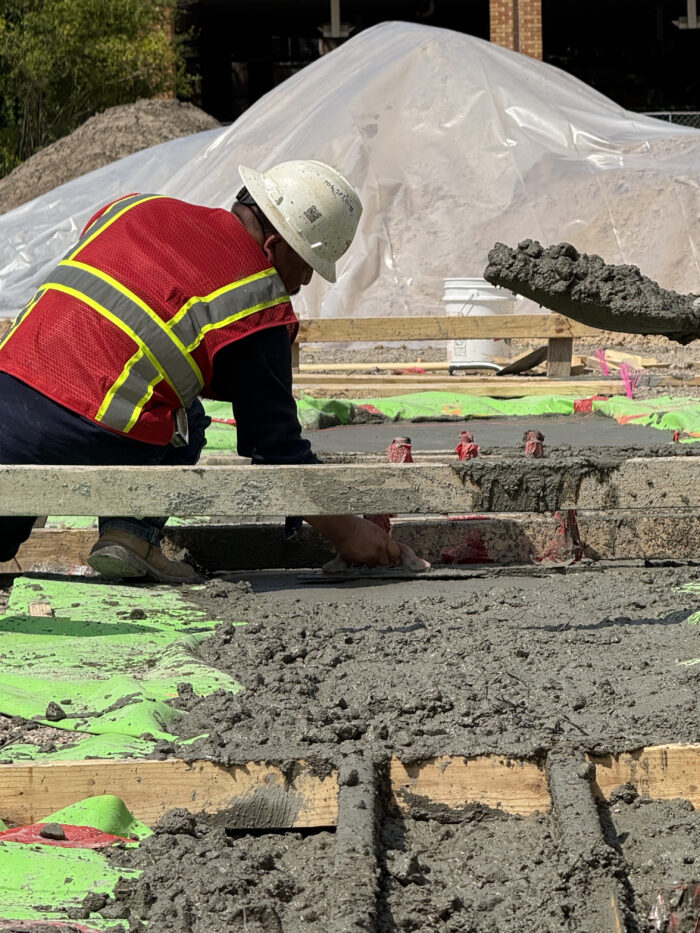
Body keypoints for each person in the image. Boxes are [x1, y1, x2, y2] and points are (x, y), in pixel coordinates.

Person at [0, 160, 414, 582]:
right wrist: (348, 533)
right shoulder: (257, 301)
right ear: (273, 245)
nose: (306, 280)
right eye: (308, 263)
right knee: (189, 420)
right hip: (92, 427)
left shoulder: (134, 208)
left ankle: (107, 535)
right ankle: (132, 534)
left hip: (7, 401)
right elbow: (278, 451)